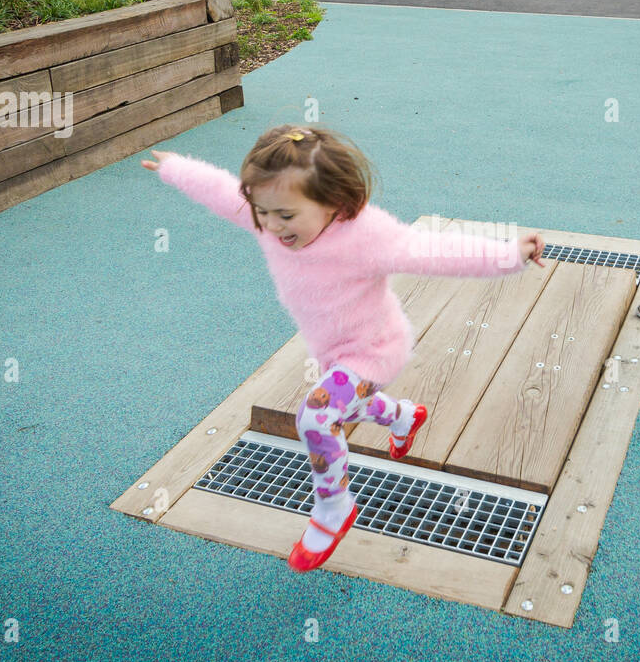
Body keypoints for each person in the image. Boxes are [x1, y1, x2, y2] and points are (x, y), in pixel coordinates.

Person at [143, 127, 546, 571]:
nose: (272, 226)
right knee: (349, 409)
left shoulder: (364, 236)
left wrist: (510, 255)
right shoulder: (268, 216)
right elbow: (222, 193)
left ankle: (334, 508)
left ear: (333, 204)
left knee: (318, 415)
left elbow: (434, 250)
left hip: (374, 350)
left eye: (285, 215)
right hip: (332, 351)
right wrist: (176, 169)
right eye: (262, 212)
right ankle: (403, 416)